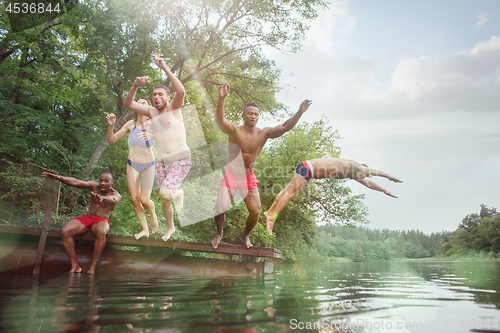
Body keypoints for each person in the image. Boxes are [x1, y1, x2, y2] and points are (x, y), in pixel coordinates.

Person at [212, 81, 312, 249]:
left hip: (248, 177)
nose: (253, 116)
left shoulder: (263, 133)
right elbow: (220, 121)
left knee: (256, 210)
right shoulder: (235, 130)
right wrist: (221, 99)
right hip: (231, 175)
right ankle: (219, 232)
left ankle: (245, 236)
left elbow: (285, 127)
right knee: (220, 207)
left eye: (256, 114)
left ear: (258, 117)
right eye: (249, 113)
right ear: (243, 116)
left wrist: (300, 111)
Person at [124, 54, 190, 242]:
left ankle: (179, 192)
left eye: (160, 94)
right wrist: (135, 86)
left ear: (168, 97)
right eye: (154, 94)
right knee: (164, 199)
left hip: (181, 159)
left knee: (164, 193)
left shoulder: (174, 109)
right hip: (162, 162)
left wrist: (165, 67)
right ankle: (170, 228)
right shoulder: (152, 112)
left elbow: (182, 91)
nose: (156, 97)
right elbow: (128, 103)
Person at [264, 158, 403, 235]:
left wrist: (384, 191)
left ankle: (269, 212)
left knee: (285, 191)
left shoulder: (353, 174)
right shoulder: (354, 166)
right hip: (308, 168)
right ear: (361, 169)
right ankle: (272, 218)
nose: (362, 178)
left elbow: (369, 184)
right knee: (291, 193)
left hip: (307, 169)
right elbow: (371, 171)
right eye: (362, 175)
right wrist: (389, 176)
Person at [41, 171, 121, 274]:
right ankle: (75, 265)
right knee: (65, 231)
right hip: (87, 218)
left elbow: (113, 199)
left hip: (101, 220)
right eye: (101, 180)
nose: (102, 183)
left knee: (102, 231)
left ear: (112, 182)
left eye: (106, 181)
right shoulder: (94, 186)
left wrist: (103, 198)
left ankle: (93, 266)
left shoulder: (115, 194)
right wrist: (58, 177)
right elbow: (75, 182)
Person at [106, 97, 157, 240]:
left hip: (148, 165)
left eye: (144, 103)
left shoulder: (153, 123)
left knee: (144, 200)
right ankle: (145, 229)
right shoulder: (130, 124)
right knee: (135, 200)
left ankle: (153, 214)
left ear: (148, 108)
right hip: (132, 164)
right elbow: (112, 140)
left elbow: (168, 137)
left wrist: (152, 135)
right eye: (138, 103)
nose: (140, 105)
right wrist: (111, 126)